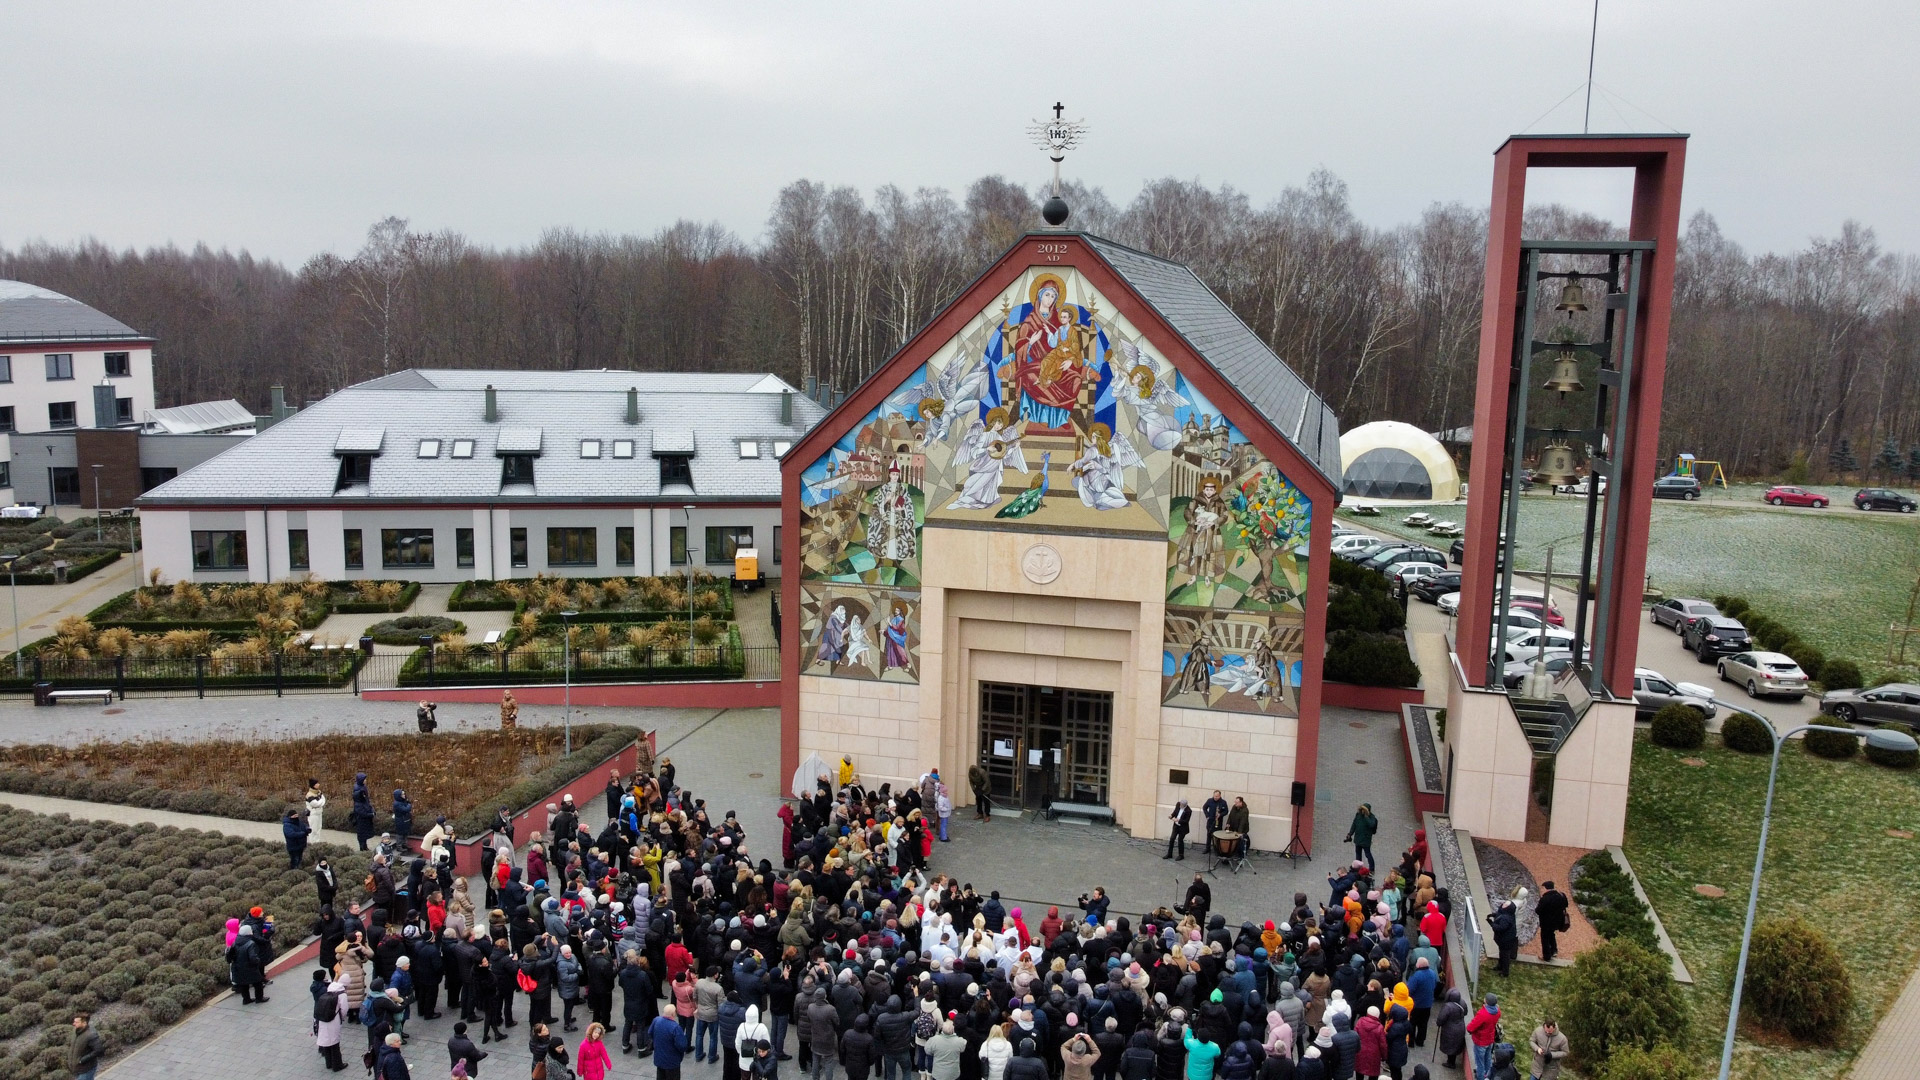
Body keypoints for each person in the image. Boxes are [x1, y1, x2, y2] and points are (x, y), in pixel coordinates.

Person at [228, 923, 269, 1004]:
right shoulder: (250, 943)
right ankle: (259, 998)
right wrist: (258, 961)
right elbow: (253, 957)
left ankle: (246, 999)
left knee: (244, 985)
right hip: (250, 967)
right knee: (258, 983)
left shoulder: (235, 942)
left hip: (238, 967)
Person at [651, 1006, 692, 1080]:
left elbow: (650, 1032)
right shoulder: (675, 1028)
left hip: (659, 1058)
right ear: (673, 1014)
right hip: (672, 1062)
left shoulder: (656, 1020)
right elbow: (682, 1046)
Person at [1466, 996, 1501, 1080]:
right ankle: (1488, 1076)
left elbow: (1470, 1027)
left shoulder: (1483, 1014)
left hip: (1480, 1041)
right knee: (1488, 1060)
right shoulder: (1497, 1012)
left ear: (1487, 1002)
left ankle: (1480, 1077)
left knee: (1480, 1063)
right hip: (1490, 1040)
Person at [1533, 883, 1570, 964]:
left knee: (1545, 938)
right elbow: (1566, 905)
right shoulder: (1561, 895)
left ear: (1546, 888)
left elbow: (1538, 910)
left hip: (1546, 922)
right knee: (1551, 934)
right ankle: (1554, 950)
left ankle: (1546, 956)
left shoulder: (1545, 898)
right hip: (1557, 921)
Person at [1435, 990, 1466, 1072]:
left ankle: (1450, 1063)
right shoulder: (1462, 1003)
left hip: (1450, 1029)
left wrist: (1439, 1023)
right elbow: (1465, 1012)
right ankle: (1452, 1061)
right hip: (1460, 1027)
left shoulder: (1448, 1006)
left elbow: (1442, 1018)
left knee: (1450, 1045)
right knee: (1455, 1045)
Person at [1487, 901, 1518, 978]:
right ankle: (1500, 966)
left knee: (1505, 956)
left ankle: (1505, 972)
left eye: (1505, 904)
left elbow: (1500, 928)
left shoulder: (1506, 918)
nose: (1503, 904)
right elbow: (1500, 914)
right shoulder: (1507, 913)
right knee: (1502, 953)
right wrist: (1494, 915)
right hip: (1504, 939)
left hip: (1506, 940)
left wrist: (1491, 923)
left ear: (1507, 908)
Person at [1344, 804, 1378, 872]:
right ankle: (1358, 867)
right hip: (1358, 839)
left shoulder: (1372, 817)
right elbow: (1354, 824)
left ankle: (1372, 869)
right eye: (1362, 810)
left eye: (1364, 810)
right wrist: (1350, 834)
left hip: (1366, 840)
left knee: (1368, 854)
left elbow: (1372, 825)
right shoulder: (1358, 815)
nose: (1362, 811)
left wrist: (1366, 817)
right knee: (1358, 853)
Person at [70, 1012, 103, 1080]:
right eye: (74, 1021)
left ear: (84, 1023)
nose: (73, 1024)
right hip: (78, 1068)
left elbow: (99, 1050)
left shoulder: (91, 1035)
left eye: (76, 1022)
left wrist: (82, 1060)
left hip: (86, 1069)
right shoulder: (76, 1030)